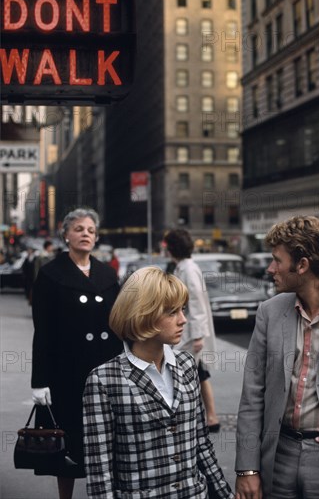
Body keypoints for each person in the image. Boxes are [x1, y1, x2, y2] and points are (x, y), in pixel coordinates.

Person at [235, 215, 319, 499]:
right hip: (278, 456)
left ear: (302, 265)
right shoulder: (269, 312)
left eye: (277, 260)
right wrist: (247, 469)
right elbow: (252, 395)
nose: (271, 269)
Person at [83, 266, 234, 499]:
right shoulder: (103, 380)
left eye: (182, 310)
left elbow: (201, 444)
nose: (183, 320)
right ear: (144, 313)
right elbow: (99, 471)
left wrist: (225, 494)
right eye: (172, 312)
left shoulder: (186, 364)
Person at [31, 208, 122, 499]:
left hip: (106, 368)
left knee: (108, 438)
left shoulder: (108, 274)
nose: (86, 234)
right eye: (79, 229)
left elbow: (120, 322)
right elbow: (42, 330)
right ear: (66, 234)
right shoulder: (50, 274)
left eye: (91, 230)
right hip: (66, 373)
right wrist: (39, 381)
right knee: (68, 440)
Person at [164, 228, 220, 431]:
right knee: (200, 374)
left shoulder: (187, 269)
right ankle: (211, 417)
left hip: (190, 333)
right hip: (190, 331)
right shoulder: (185, 267)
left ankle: (204, 418)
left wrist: (197, 335)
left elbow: (195, 302)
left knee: (191, 376)